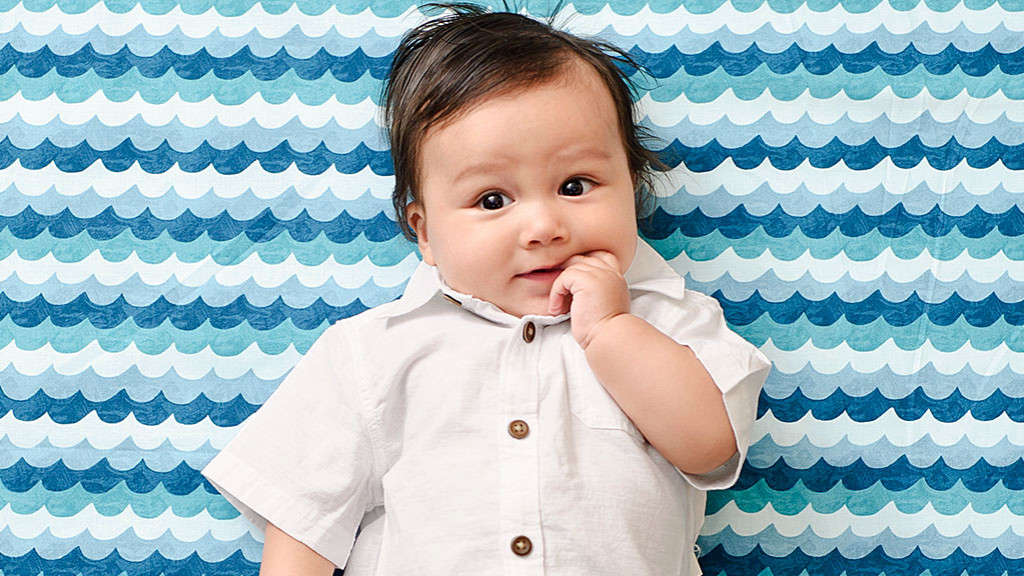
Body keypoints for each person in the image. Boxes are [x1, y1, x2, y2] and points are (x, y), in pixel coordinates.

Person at [201, 4, 771, 575]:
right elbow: (303, 520)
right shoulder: (373, 353)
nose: (544, 227)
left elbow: (710, 449)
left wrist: (611, 330)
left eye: (575, 186)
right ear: (425, 232)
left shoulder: (671, 321)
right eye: (492, 200)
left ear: (632, 186)